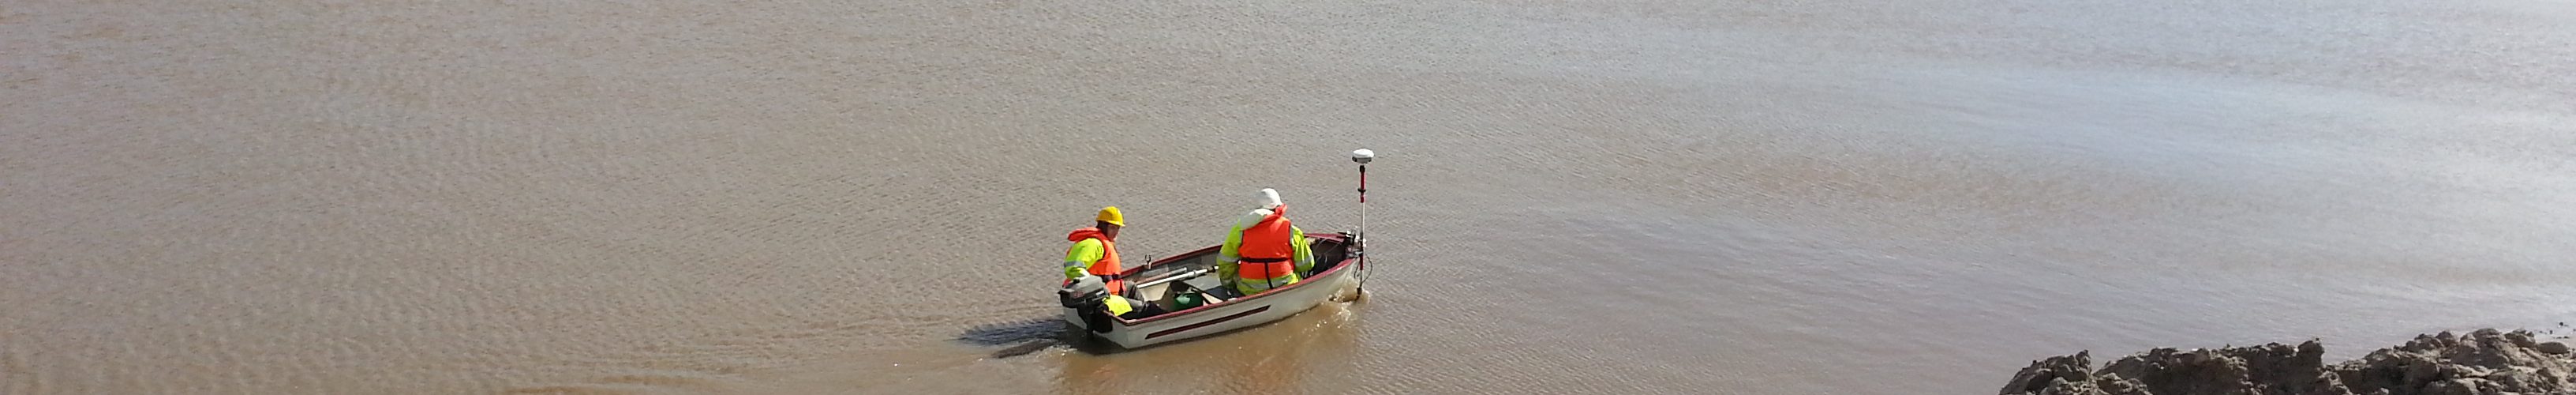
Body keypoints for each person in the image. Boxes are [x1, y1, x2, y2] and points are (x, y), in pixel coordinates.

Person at [1218, 189, 1313, 296]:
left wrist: (1228, 284)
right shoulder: (1290, 229)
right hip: (1286, 285)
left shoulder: (1239, 230)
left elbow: (1226, 262)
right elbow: (1306, 264)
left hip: (1249, 289)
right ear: (1278, 207)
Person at [1064, 206, 1127, 296]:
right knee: (1145, 308)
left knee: (1131, 288)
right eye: (1113, 228)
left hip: (1110, 291)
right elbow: (1073, 269)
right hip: (1101, 297)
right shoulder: (1094, 244)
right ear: (1103, 226)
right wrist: (1094, 286)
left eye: (1118, 228)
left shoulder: (1104, 242)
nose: (1116, 232)